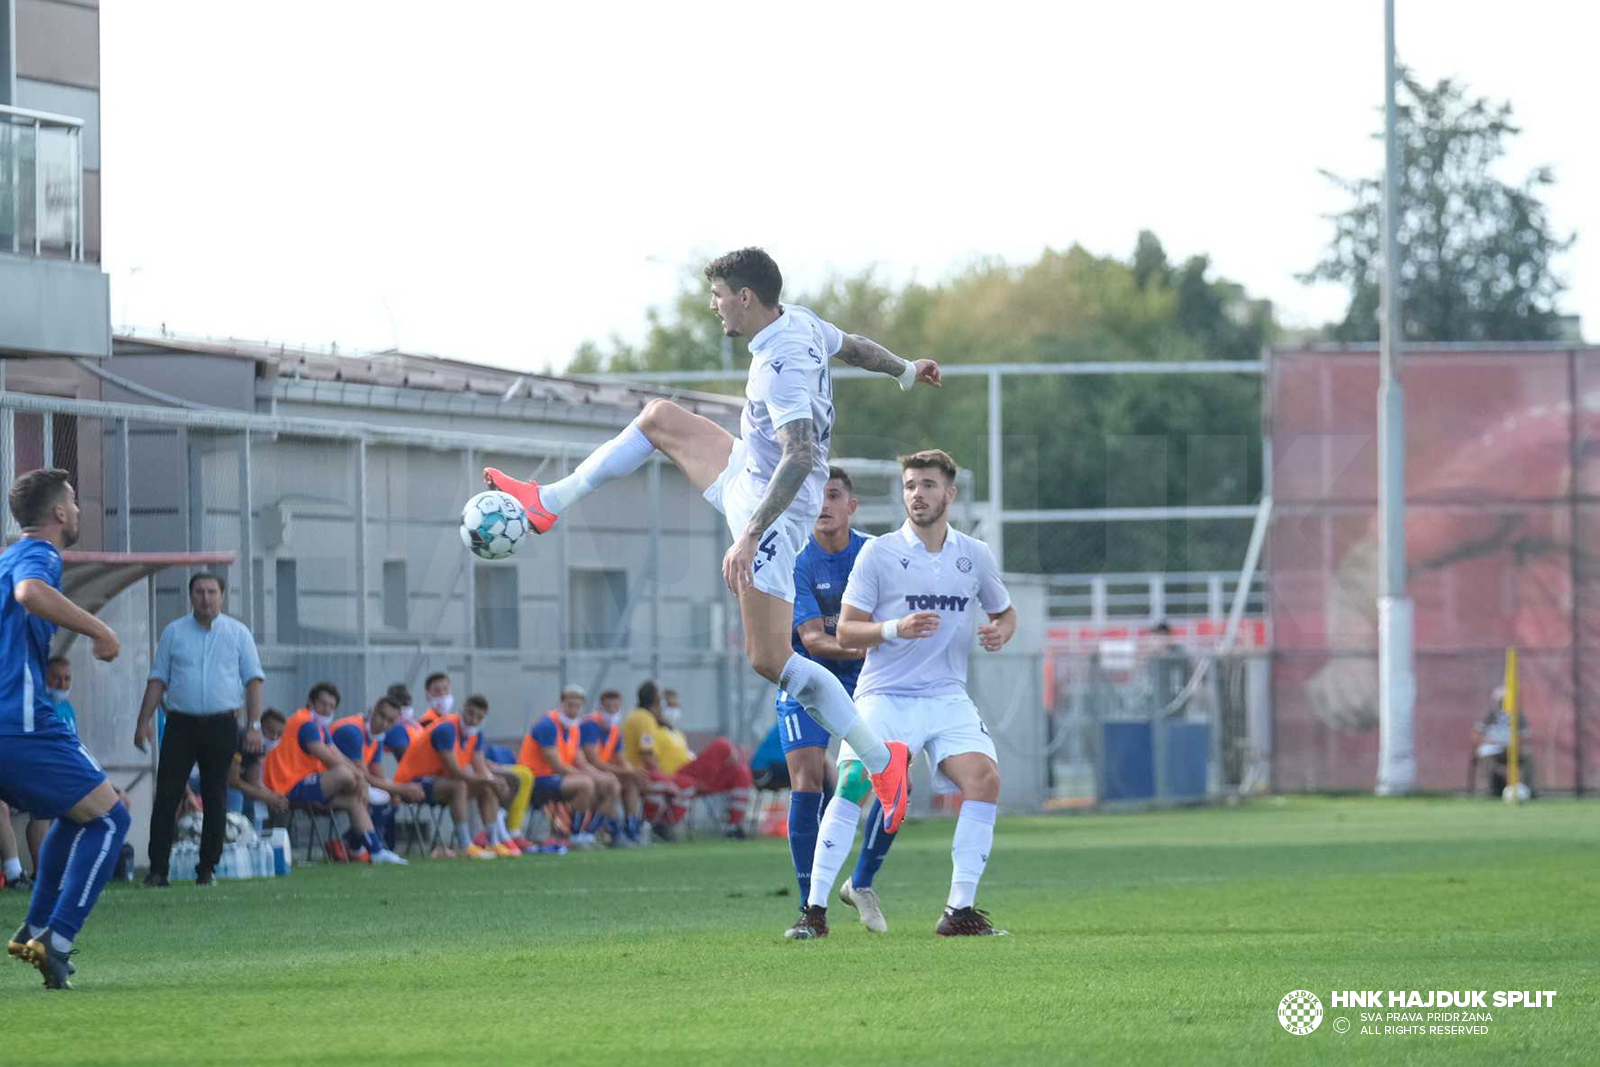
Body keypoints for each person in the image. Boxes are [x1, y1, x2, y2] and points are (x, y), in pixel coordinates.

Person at [485, 248, 934, 831]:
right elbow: (854, 347)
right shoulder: (799, 321)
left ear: (745, 297)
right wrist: (904, 369)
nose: (714, 304)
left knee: (770, 658)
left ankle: (882, 762)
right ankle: (546, 504)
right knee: (657, 418)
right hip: (749, 470)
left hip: (776, 506)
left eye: (719, 294)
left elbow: (800, 453)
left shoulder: (781, 366)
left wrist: (750, 534)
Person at [801, 449, 1018, 939]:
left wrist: (1002, 631)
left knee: (984, 780)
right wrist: (897, 627)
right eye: (910, 486)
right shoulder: (878, 553)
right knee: (854, 784)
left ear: (950, 494)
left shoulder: (974, 555)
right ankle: (813, 913)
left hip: (945, 696)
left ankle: (958, 912)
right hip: (885, 695)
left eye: (927, 485)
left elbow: (1005, 611)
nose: (917, 495)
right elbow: (850, 632)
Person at [0, 468, 131, 989]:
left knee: (77, 815)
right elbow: (31, 593)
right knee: (111, 821)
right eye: (74, 502)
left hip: (15, 720)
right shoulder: (40, 556)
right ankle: (56, 940)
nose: (78, 510)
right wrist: (100, 628)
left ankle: (35, 926)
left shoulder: (6, 555)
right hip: (21, 721)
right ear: (58, 513)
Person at [778, 466, 896, 937]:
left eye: (834, 495)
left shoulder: (876, 553)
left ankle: (860, 882)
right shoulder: (797, 559)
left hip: (871, 683)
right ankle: (812, 908)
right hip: (808, 679)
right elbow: (814, 641)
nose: (824, 505)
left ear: (852, 506)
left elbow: (892, 618)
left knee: (872, 783)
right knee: (805, 779)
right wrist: (877, 637)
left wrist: (874, 637)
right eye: (817, 496)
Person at [134, 571, 266, 887]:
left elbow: (253, 680)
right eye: (199, 592)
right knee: (166, 794)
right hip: (180, 723)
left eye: (211, 592)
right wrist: (143, 723)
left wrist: (254, 725)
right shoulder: (174, 633)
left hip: (222, 724)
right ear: (190, 596)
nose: (205, 598)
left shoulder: (238, 633)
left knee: (216, 795)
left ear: (222, 595)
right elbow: (158, 680)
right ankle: (158, 870)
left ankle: (207, 868)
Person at [260, 683, 407, 865]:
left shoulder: (319, 726)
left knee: (355, 800)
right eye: (322, 703)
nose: (326, 709)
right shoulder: (306, 723)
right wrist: (364, 780)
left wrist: (360, 778)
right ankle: (355, 840)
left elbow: (336, 753)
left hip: (306, 785)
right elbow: (329, 758)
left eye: (331, 706)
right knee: (344, 774)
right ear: (310, 702)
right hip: (285, 786)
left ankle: (376, 851)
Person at [623, 680, 754, 839]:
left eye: (676, 704)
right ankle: (664, 826)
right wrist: (661, 776)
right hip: (678, 773)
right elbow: (648, 753)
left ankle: (733, 827)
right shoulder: (646, 720)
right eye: (669, 704)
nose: (672, 708)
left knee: (741, 772)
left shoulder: (673, 730)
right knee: (722, 745)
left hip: (693, 772)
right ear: (657, 702)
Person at [394, 695, 502, 858]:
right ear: (462, 710)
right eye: (470, 714)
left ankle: (494, 842)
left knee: (486, 786)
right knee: (459, 785)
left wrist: (492, 780)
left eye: (479, 717)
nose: (473, 720)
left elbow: (480, 767)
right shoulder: (447, 729)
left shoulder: (476, 734)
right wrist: (490, 779)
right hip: (412, 782)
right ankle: (466, 846)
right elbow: (455, 771)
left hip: (438, 781)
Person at [331, 696, 425, 854]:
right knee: (376, 796)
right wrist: (402, 788)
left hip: (350, 782)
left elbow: (376, 770)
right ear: (371, 710)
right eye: (381, 716)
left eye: (390, 720)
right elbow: (365, 776)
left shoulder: (377, 737)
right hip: (326, 782)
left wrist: (395, 790)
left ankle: (365, 846)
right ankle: (354, 847)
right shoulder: (353, 731)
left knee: (391, 796)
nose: (384, 724)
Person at [517, 688, 601, 847]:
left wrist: (598, 775)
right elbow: (555, 765)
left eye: (577, 706)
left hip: (557, 777)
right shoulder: (547, 724)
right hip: (537, 777)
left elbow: (580, 760)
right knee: (586, 784)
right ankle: (571, 834)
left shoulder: (574, 728)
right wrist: (585, 776)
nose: (573, 710)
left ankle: (591, 832)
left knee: (609, 783)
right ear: (561, 704)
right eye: (570, 705)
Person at [580, 688, 646, 846]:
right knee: (612, 786)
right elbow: (594, 762)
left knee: (631, 783)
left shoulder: (615, 730)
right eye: (608, 707)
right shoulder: (591, 725)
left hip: (604, 772)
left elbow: (621, 759)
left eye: (615, 707)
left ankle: (631, 830)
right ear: (600, 707)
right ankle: (613, 829)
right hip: (587, 772)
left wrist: (633, 773)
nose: (612, 711)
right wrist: (629, 772)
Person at [1472, 686, 1536, 797]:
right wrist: (1490, 742)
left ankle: (1529, 790)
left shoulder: (1517, 714)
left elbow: (1525, 734)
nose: (1503, 702)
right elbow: (1478, 733)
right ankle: (1492, 790)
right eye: (1501, 700)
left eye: (1505, 699)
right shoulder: (1490, 714)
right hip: (1493, 751)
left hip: (1512, 749)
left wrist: (1516, 743)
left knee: (1528, 757)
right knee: (1487, 760)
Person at [229, 708, 289, 824]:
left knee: (259, 802)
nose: (275, 737)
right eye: (271, 731)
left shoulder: (259, 747)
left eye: (279, 734)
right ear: (260, 728)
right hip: (209, 782)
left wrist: (273, 797)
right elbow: (233, 781)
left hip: (234, 788)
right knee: (237, 796)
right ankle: (230, 835)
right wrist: (267, 797)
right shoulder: (240, 739)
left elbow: (255, 782)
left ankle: (255, 838)